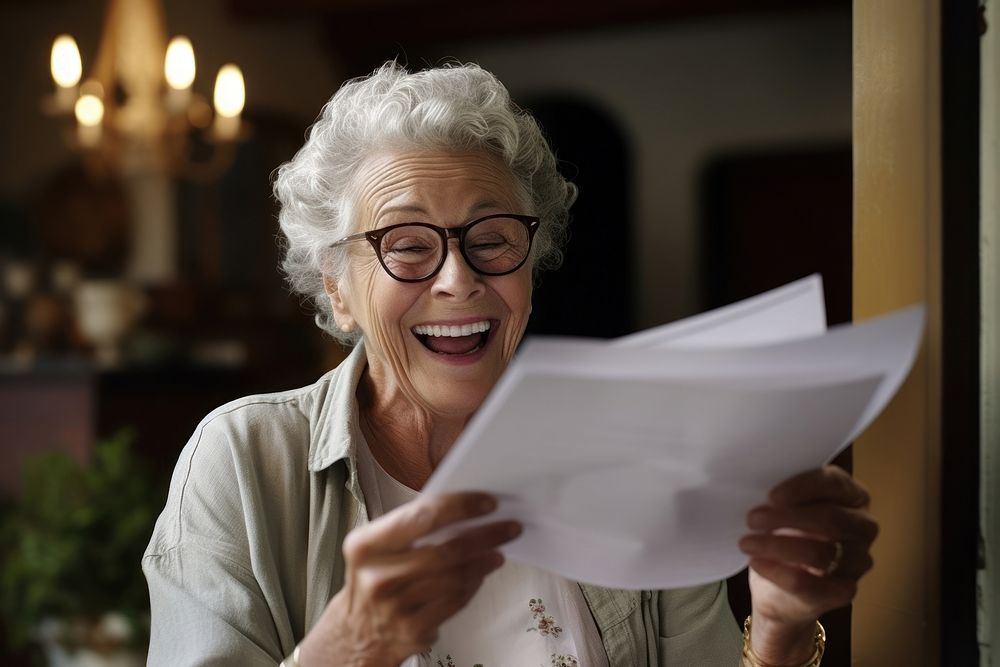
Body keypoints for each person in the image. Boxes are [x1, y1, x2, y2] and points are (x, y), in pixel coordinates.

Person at [142, 62, 878, 667]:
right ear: (337, 288)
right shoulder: (243, 460)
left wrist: (780, 626)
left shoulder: (632, 454)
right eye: (407, 244)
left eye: (491, 237)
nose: (459, 278)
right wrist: (350, 646)